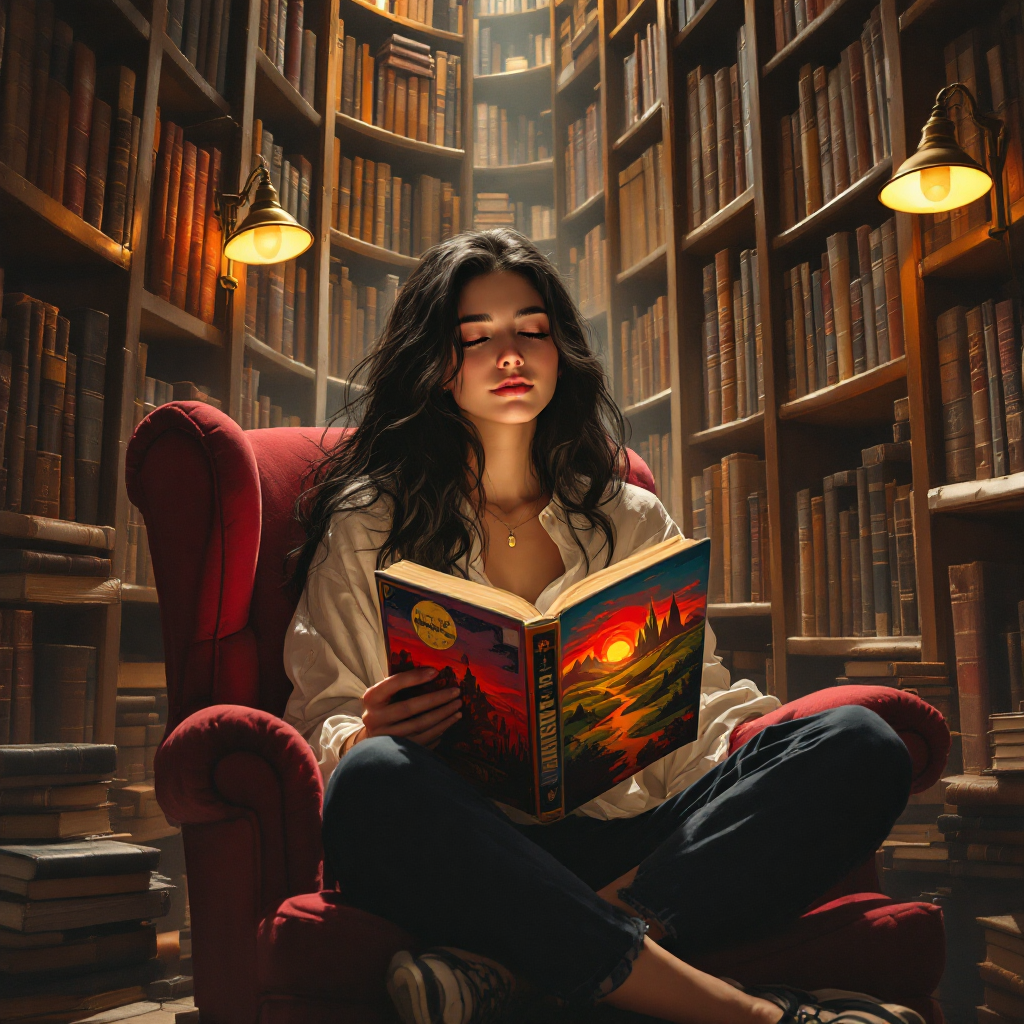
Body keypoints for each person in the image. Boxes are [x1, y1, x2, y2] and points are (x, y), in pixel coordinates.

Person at [284, 230, 919, 1024]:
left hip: (636, 842)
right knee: (373, 781)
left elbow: (702, 697)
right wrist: (363, 732)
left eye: (531, 330)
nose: (509, 354)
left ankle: (523, 966)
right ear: (438, 364)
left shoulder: (630, 515)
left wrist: (767, 753)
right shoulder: (368, 521)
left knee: (859, 743)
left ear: (561, 350)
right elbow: (322, 714)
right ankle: (750, 1015)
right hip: (470, 842)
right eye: (476, 337)